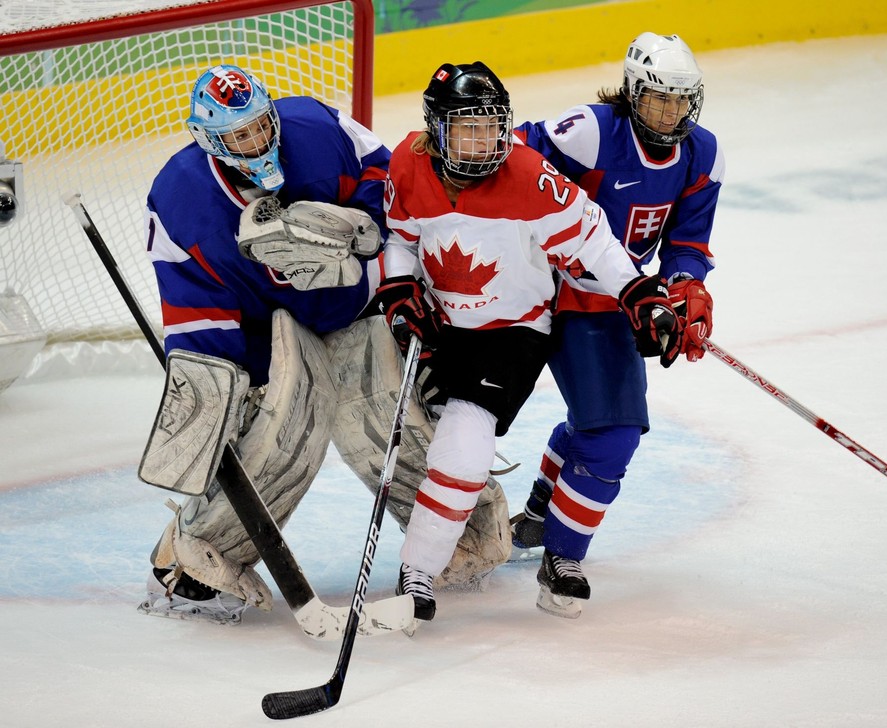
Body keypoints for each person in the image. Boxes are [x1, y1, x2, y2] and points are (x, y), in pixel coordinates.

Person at [374, 60, 684, 623]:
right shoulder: (408, 163)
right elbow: (401, 235)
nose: (483, 140)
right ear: (436, 129)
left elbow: (594, 239)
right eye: (467, 128)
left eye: (491, 126)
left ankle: (416, 572)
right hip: (443, 328)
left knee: (464, 453)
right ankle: (428, 560)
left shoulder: (530, 177)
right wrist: (397, 284)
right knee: (433, 443)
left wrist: (639, 290)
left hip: (512, 334)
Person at [138, 63, 392, 623]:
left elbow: (382, 168)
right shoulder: (183, 199)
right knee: (279, 436)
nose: (255, 142)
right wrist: (233, 383)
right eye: (237, 136)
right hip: (267, 332)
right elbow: (193, 300)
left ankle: (454, 539)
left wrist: (371, 220)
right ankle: (198, 554)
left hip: (356, 303)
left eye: (259, 126)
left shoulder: (318, 128)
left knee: (395, 424)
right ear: (208, 140)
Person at [510, 33, 724, 616]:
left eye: (682, 101)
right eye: (658, 99)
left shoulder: (702, 155)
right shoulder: (590, 131)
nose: (670, 112)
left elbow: (685, 243)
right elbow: (508, 161)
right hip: (535, 288)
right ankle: (555, 549)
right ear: (633, 93)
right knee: (609, 433)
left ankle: (545, 530)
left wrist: (685, 289)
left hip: (613, 300)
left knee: (607, 426)